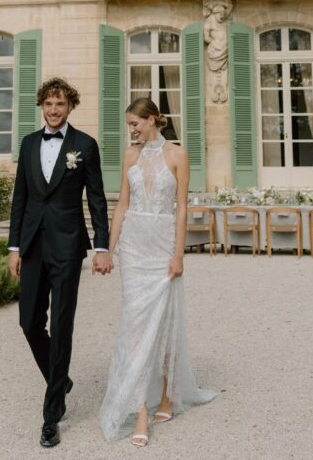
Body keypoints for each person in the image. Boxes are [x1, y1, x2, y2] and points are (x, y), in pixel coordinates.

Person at [99, 98, 215, 445]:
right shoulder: (129, 156)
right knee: (134, 325)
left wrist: (179, 254)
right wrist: (108, 249)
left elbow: (182, 208)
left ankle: (166, 395)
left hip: (163, 245)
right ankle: (140, 411)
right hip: (134, 247)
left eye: (135, 124)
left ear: (152, 120)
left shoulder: (178, 155)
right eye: (129, 125)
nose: (131, 130)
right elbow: (122, 204)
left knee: (165, 322)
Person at [8, 77, 112, 449]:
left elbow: (96, 198)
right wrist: (14, 247)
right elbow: (20, 198)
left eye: (60, 104)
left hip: (68, 245)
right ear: (42, 106)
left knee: (62, 324)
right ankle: (60, 379)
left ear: (70, 107)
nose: (54, 110)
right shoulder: (28, 143)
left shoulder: (85, 145)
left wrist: (102, 246)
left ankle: (51, 415)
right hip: (33, 245)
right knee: (28, 322)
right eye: (49, 104)